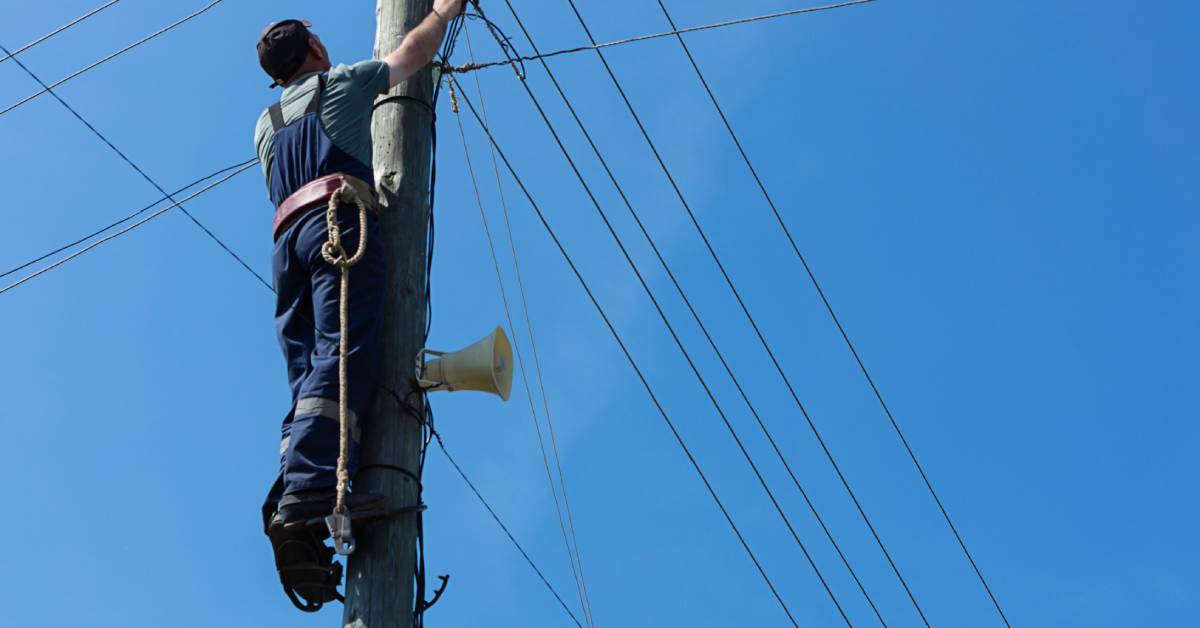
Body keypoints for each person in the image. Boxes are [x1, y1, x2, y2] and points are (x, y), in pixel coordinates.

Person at [253, 1, 462, 611]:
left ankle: (301, 491)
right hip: (335, 224)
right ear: (314, 53)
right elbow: (410, 55)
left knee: (309, 380)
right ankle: (309, 493)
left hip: (286, 243)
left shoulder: (264, 125)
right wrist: (443, 12)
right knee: (345, 349)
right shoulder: (340, 83)